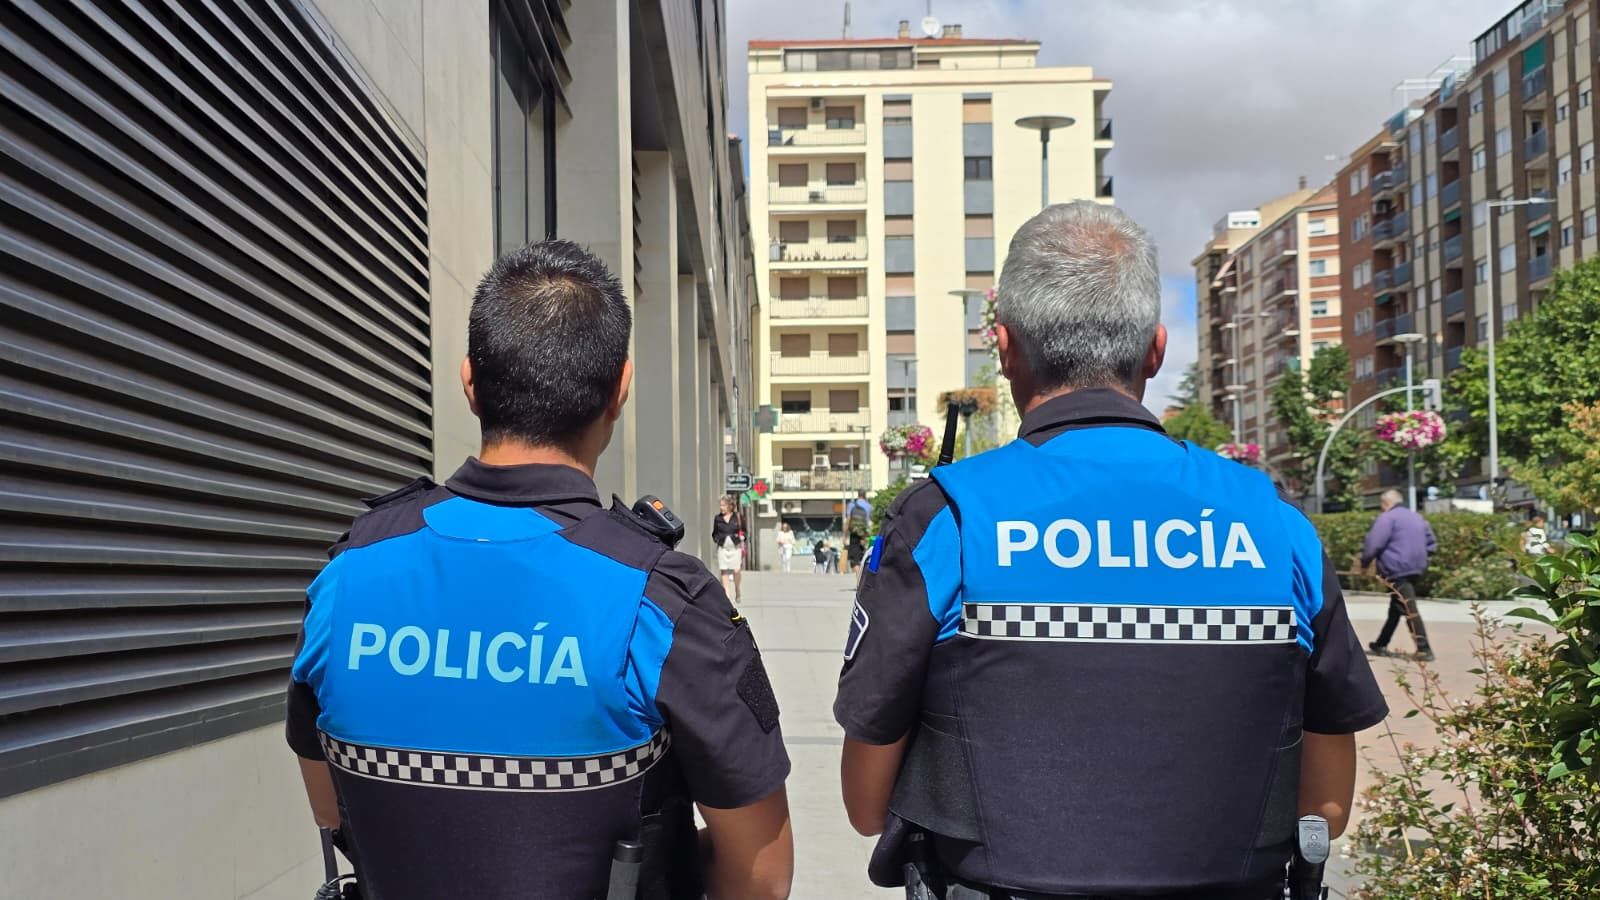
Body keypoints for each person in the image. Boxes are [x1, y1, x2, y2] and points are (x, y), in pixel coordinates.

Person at [833, 202, 1388, 899]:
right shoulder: (1274, 526)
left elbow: (864, 806)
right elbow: (1326, 809)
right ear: (1156, 350)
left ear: (1003, 348)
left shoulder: (947, 520)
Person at [285, 240, 792, 900]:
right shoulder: (662, 604)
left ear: (469, 382)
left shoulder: (346, 579)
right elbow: (763, 874)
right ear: (621, 390)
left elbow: (331, 812)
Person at [1362, 488, 1438, 663]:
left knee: (1408, 607)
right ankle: (1381, 643)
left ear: (1385, 503)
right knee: (1396, 607)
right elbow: (1432, 543)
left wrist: (1365, 563)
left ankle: (1424, 648)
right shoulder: (1416, 516)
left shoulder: (1387, 518)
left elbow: (1373, 544)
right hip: (1416, 567)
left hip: (1396, 568)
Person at [713, 496, 744, 602]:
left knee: (736, 570)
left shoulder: (737, 517)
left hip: (735, 547)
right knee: (724, 571)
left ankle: (737, 589)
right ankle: (727, 595)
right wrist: (717, 539)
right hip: (723, 547)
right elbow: (715, 532)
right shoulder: (718, 518)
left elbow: (744, 530)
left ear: (730, 506)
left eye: (723, 505)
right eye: (720, 505)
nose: (721, 508)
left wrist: (741, 538)